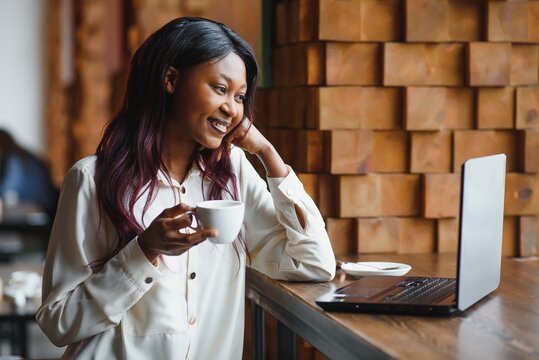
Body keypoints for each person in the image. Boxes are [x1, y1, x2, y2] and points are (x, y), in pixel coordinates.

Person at [36, 17, 335, 359]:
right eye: (220, 89)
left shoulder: (232, 172)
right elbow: (57, 322)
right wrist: (143, 250)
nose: (232, 110)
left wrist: (268, 155)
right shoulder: (91, 179)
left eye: (240, 97)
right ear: (171, 79)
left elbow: (314, 264)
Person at [0, 129, 58, 219]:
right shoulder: (24, 156)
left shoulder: (15, 159)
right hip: (48, 203)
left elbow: (7, 187)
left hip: (39, 207)